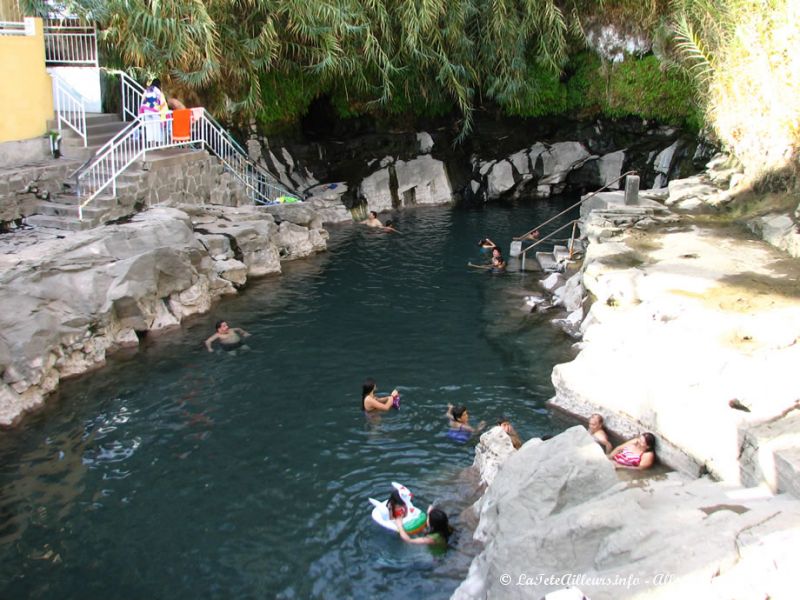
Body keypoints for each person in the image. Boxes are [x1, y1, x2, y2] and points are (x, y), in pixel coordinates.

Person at [139, 78, 168, 144]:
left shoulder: (147, 90)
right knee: (156, 126)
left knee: (149, 127)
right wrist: (164, 112)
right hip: (154, 110)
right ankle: (157, 144)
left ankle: (152, 144)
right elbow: (162, 102)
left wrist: (141, 110)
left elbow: (142, 100)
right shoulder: (157, 91)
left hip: (146, 110)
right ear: (159, 84)